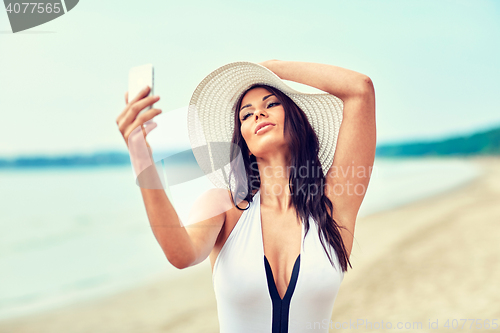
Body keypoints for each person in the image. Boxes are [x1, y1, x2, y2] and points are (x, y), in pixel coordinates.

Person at [116, 60, 376, 332]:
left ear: (297, 120)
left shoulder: (332, 205)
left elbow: (361, 89)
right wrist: (140, 155)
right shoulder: (223, 206)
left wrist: (269, 68)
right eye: (246, 114)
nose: (258, 114)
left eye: (271, 104)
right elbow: (180, 254)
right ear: (246, 145)